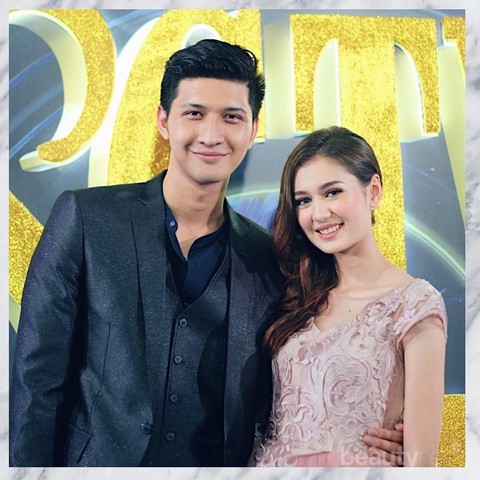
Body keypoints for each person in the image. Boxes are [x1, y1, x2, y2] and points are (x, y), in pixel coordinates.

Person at [10, 40, 403, 467]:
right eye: (194, 114)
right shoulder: (87, 218)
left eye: (231, 117)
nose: (212, 136)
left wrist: (376, 431)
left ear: (252, 130)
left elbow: (294, 383)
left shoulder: (269, 257)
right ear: (164, 120)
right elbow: (37, 376)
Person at [251, 126, 447, 467]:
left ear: (373, 191)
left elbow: (421, 463)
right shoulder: (296, 294)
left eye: (332, 192)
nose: (318, 214)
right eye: (304, 200)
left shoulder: (414, 304)